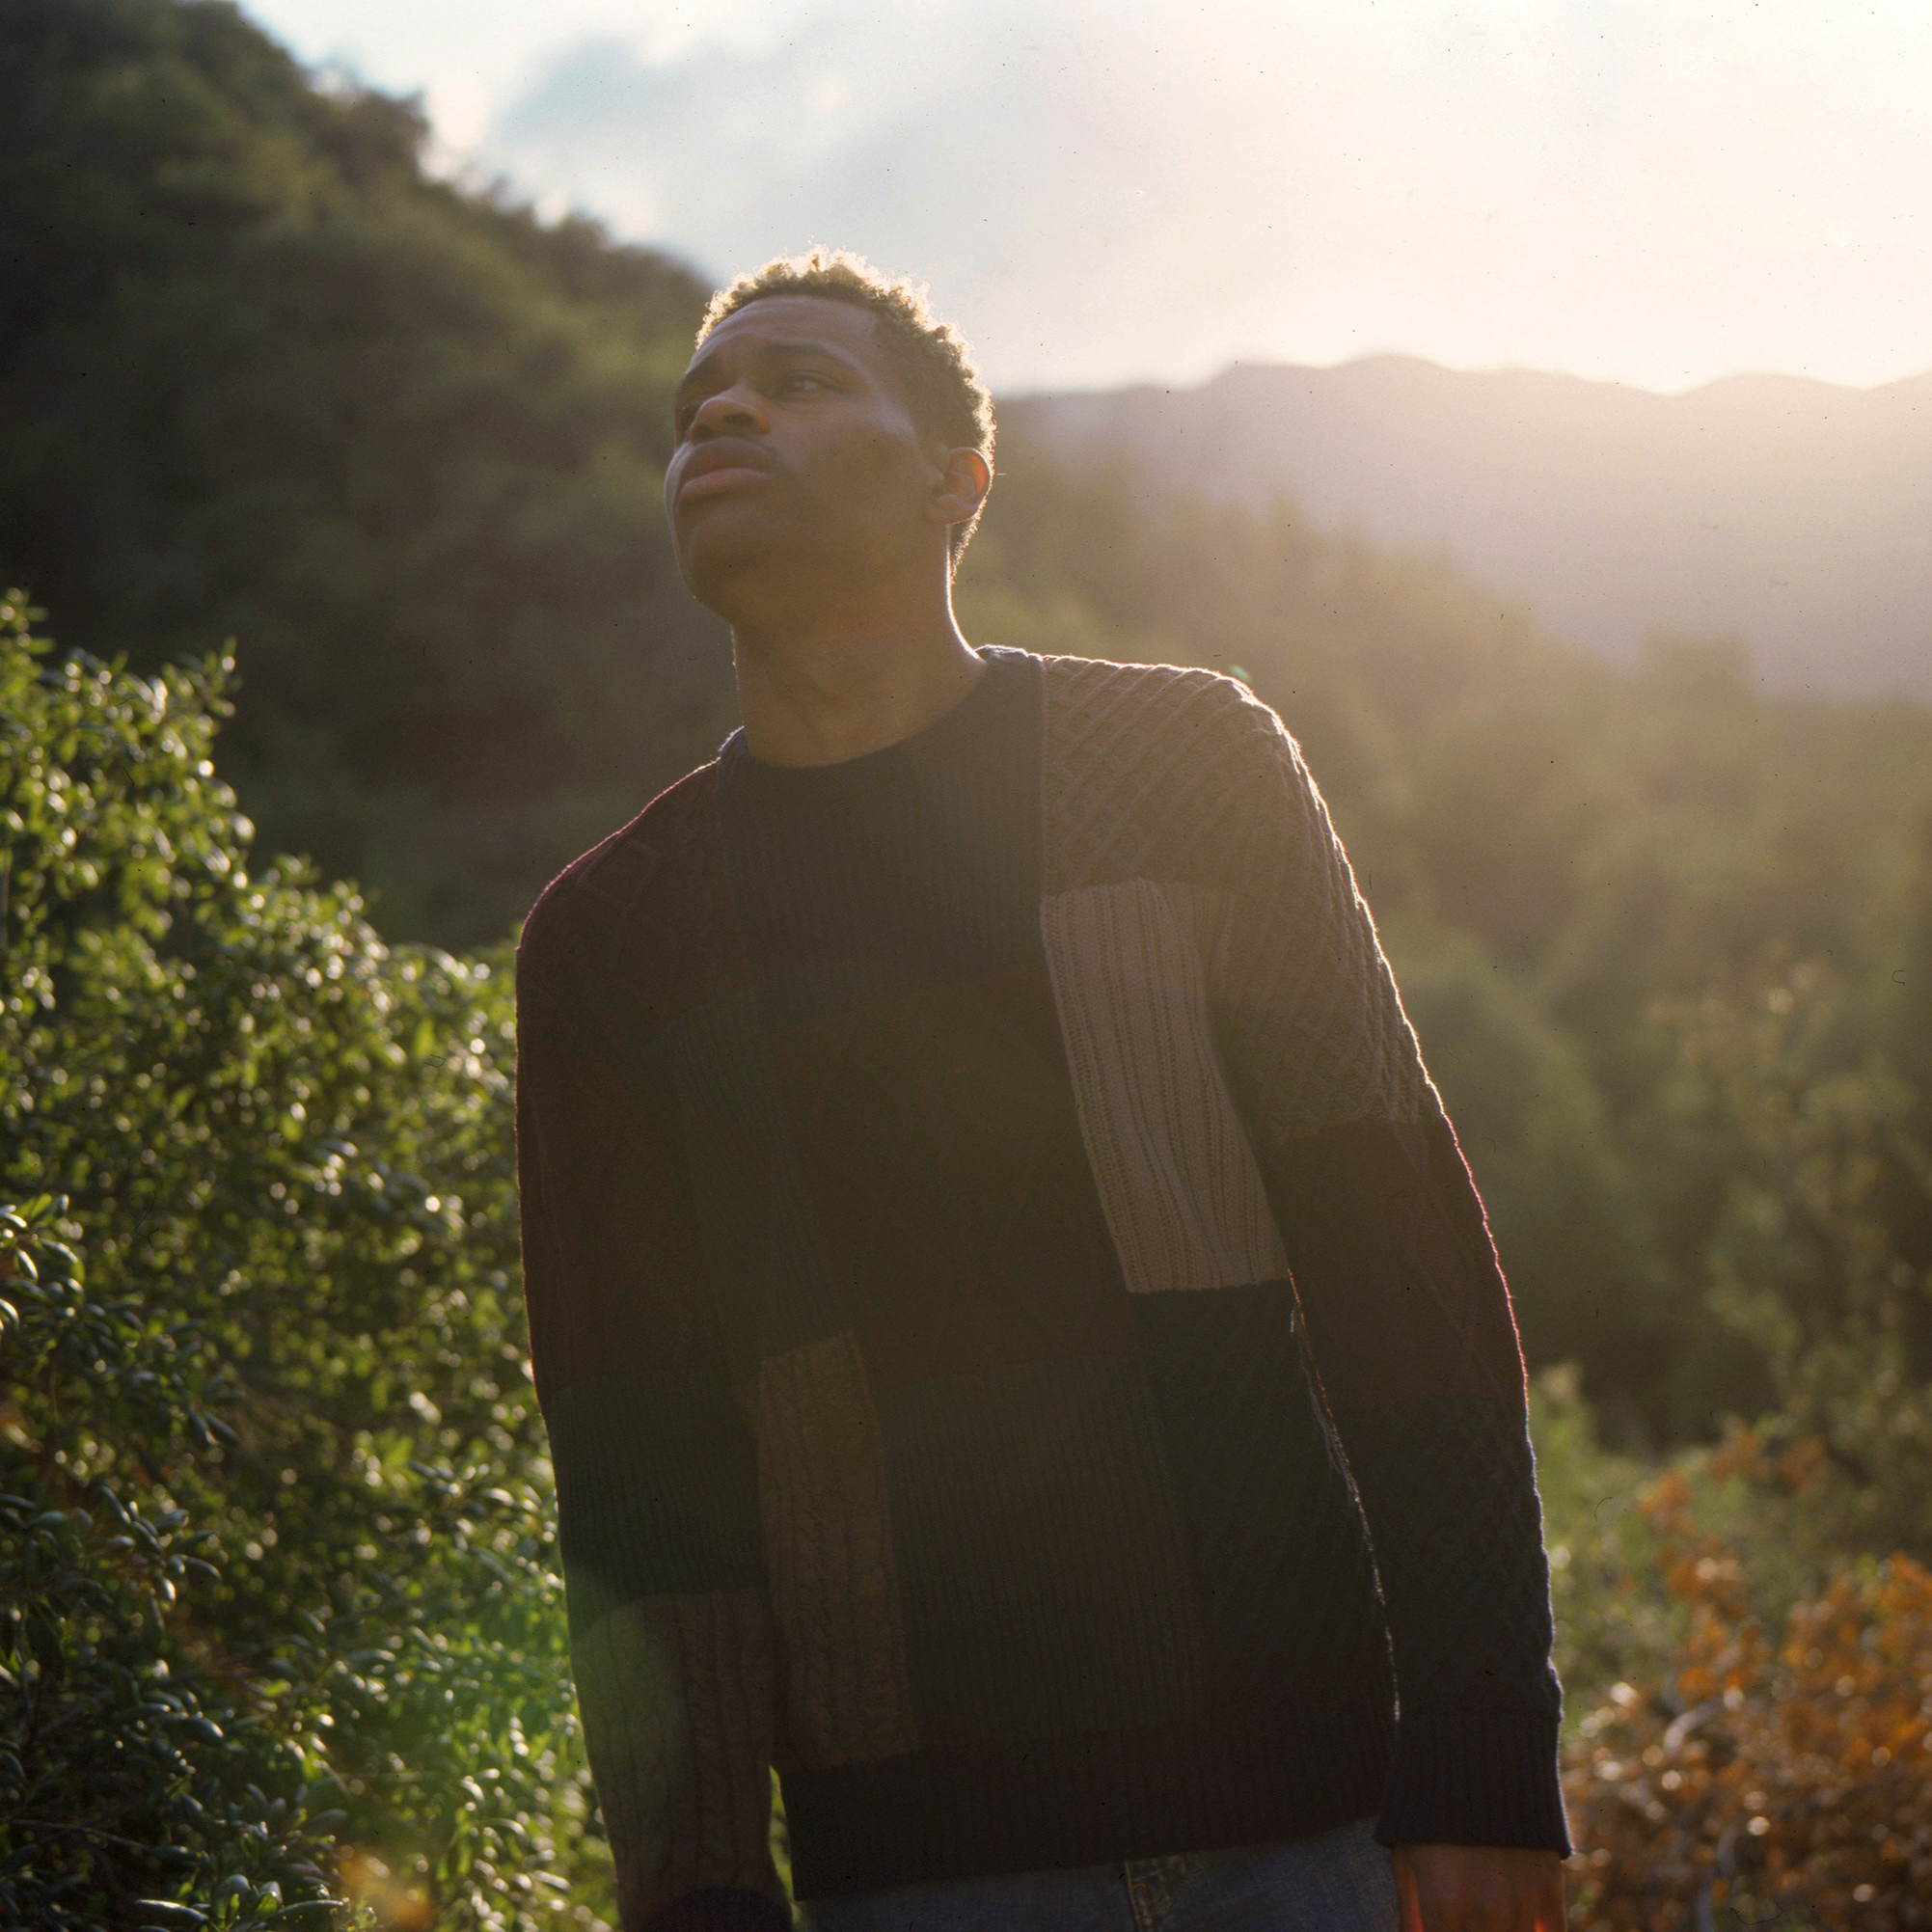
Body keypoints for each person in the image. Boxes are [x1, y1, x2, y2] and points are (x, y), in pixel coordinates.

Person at [514, 249, 1571, 1932]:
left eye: (799, 382)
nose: (723, 412)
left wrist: (1486, 1749)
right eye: (699, 401)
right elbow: (644, 1466)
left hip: (1306, 1833)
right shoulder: (616, 939)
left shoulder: (1188, 764)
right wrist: (695, 1891)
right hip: (913, 1878)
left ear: (959, 480)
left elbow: (1402, 1259)